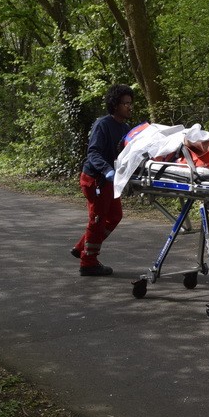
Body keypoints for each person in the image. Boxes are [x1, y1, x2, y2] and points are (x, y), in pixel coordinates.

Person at [71, 84, 135, 276]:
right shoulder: (103, 124)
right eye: (126, 103)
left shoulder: (125, 128)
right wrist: (108, 171)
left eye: (131, 103)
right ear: (115, 105)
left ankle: (82, 247)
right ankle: (88, 262)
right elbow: (93, 153)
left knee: (115, 216)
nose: (129, 107)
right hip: (95, 180)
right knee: (97, 220)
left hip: (111, 182)